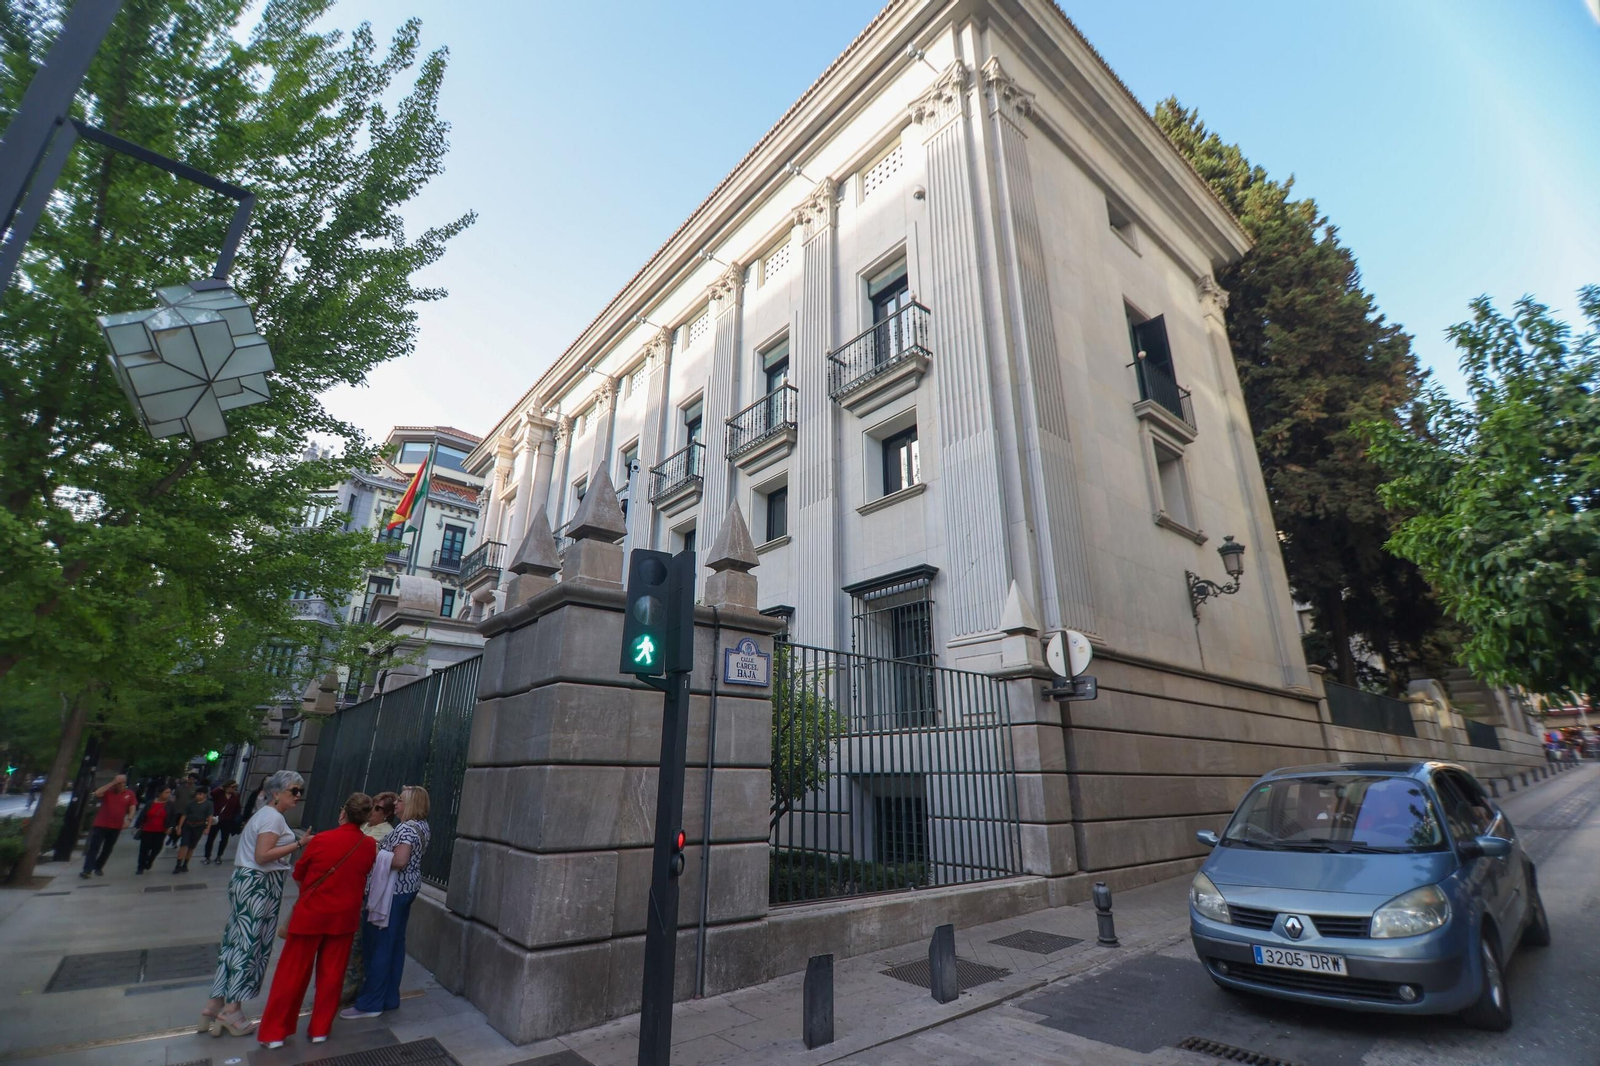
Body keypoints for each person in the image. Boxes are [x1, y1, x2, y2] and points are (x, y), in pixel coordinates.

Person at [256, 793, 379, 1049]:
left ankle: (274, 1032)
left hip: (311, 913)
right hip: (344, 916)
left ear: (343, 812)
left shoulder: (321, 839)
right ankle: (320, 1029)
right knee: (332, 975)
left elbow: (299, 874)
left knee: (292, 973)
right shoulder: (368, 845)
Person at [201, 770, 310, 1037]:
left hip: (248, 881)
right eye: (293, 791)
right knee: (250, 945)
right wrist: (299, 843)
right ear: (276, 793)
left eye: (299, 791)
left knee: (234, 942)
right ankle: (232, 1010)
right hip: (259, 884)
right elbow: (263, 855)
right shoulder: (273, 818)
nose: (298, 796)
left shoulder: (264, 815)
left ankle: (215, 1005)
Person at [342, 785, 430, 1020]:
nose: (397, 804)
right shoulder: (422, 826)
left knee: (379, 945)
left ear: (411, 805)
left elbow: (400, 860)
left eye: (401, 800)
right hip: (408, 889)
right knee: (394, 945)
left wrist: (375, 851)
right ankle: (389, 996)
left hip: (392, 892)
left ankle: (370, 1002)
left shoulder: (405, 830)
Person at [341, 791, 399, 1003]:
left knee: (357, 941)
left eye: (378, 808)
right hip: (351, 887)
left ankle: (351, 985)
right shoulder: (366, 827)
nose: (372, 810)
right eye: (372, 805)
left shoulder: (385, 832)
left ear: (387, 814)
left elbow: (355, 849)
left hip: (365, 891)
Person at [79, 774, 137, 879]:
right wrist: (113, 782)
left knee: (107, 848)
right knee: (94, 847)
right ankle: (87, 870)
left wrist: (129, 819)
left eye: (123, 782)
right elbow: (97, 793)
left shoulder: (129, 794)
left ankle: (98, 866)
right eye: (119, 783)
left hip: (116, 826)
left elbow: (132, 807)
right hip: (101, 824)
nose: (121, 785)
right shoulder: (108, 792)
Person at [174, 783, 215, 874]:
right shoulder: (191, 804)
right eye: (197, 794)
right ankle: (178, 864)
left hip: (199, 826)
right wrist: (179, 827)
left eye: (200, 794)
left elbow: (210, 816)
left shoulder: (209, 804)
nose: (197, 796)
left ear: (205, 795)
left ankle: (185, 864)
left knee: (192, 846)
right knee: (183, 844)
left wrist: (207, 828)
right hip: (188, 825)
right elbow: (184, 815)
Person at [134, 785, 174, 874]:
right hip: (147, 830)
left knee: (157, 848)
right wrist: (137, 826)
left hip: (161, 830)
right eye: (166, 792)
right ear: (160, 793)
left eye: (169, 792)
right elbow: (143, 815)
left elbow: (172, 817)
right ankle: (140, 867)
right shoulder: (150, 803)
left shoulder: (170, 805)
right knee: (144, 849)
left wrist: (170, 827)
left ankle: (150, 860)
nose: (168, 794)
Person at [203, 781, 242, 865]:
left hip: (227, 820)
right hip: (216, 819)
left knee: (224, 839)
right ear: (227, 787)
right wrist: (222, 788)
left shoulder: (235, 796)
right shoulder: (219, 793)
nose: (233, 789)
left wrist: (234, 818)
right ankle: (207, 856)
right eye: (232, 787)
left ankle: (219, 856)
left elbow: (238, 808)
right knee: (211, 838)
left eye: (235, 787)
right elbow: (212, 793)